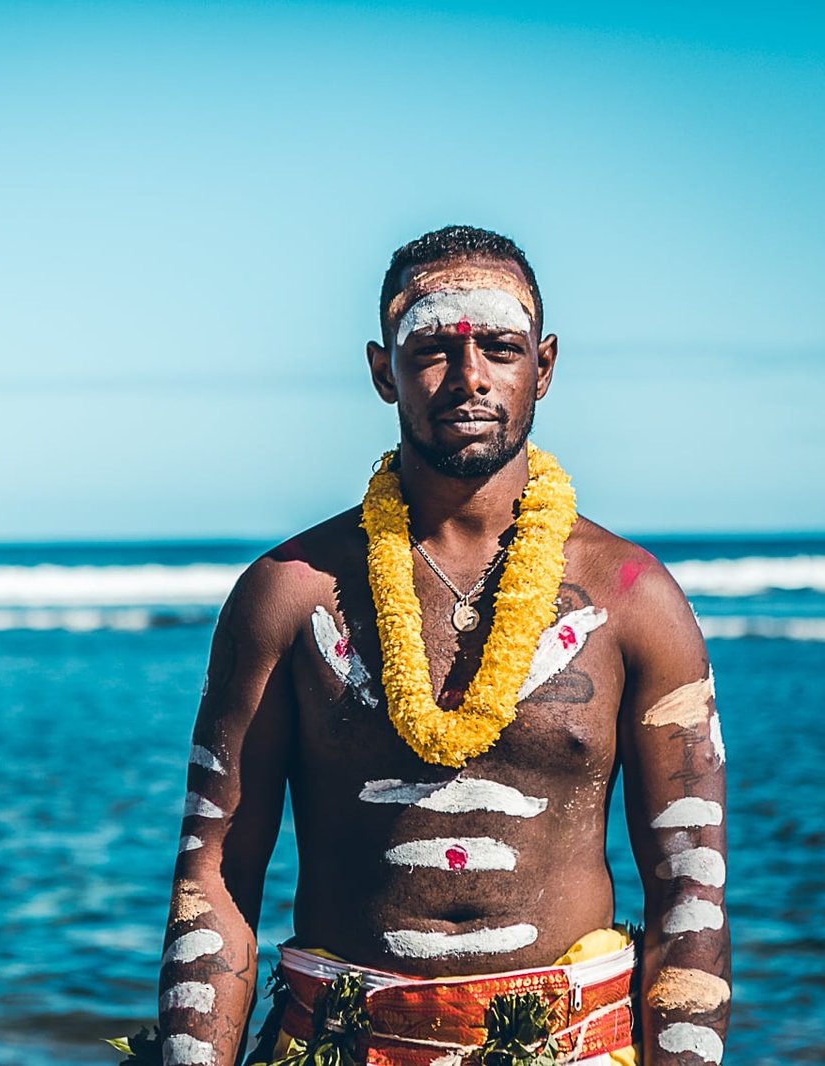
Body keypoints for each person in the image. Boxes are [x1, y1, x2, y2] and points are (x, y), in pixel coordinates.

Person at [139, 226, 730, 1065]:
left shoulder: (635, 600)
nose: (471, 377)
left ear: (545, 366)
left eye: (500, 346)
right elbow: (216, 877)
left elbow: (688, 897)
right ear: (384, 370)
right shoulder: (290, 593)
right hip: (338, 1043)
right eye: (432, 350)